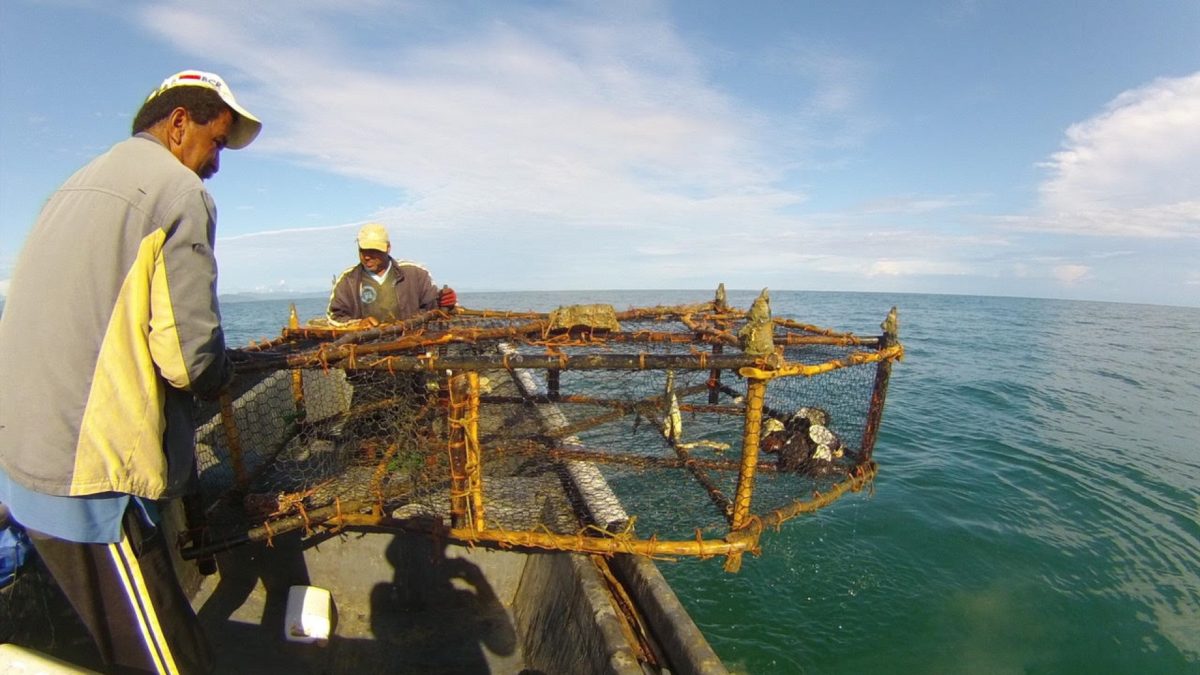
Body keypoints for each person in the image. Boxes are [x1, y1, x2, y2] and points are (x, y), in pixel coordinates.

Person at [0, 69, 261, 674]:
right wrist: (221, 373)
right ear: (179, 124)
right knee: (170, 658)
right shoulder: (178, 190)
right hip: (87, 478)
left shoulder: (74, 185)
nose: (215, 162)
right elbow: (188, 358)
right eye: (217, 142)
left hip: (20, 458)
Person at [326, 223, 457, 325]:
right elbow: (334, 317)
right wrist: (358, 324)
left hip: (411, 342)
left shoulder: (416, 273)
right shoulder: (348, 280)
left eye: (373, 250)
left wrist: (444, 300)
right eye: (363, 250)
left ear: (388, 248)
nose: (367, 256)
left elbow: (433, 307)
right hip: (365, 347)